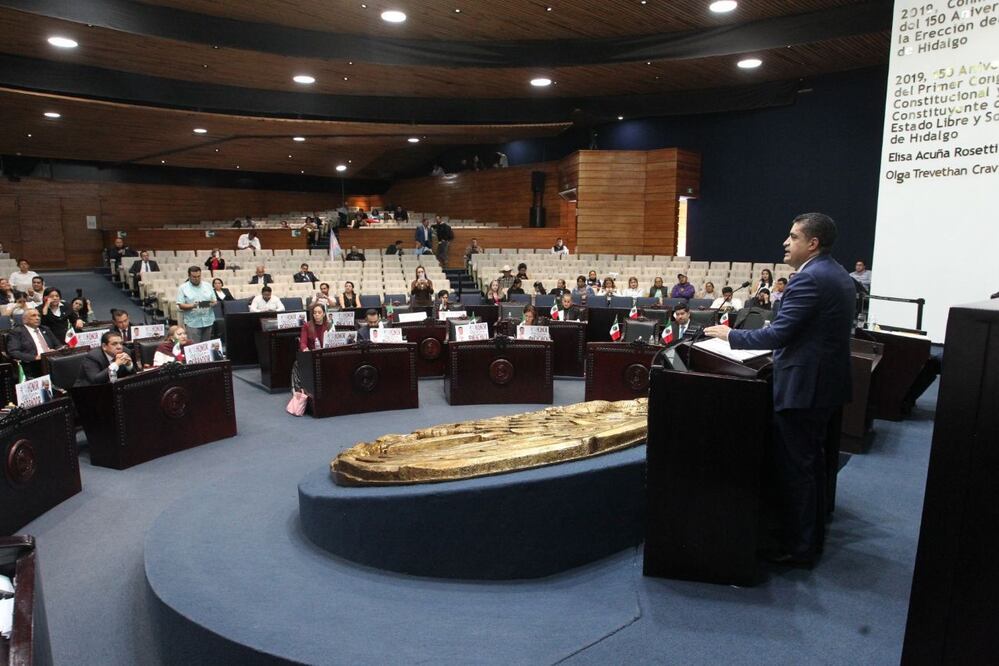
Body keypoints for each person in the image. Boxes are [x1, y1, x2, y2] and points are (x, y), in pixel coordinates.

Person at [704, 212, 856, 566]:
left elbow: (779, 334)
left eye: (793, 237)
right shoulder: (837, 273)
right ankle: (809, 539)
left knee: (798, 468)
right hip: (823, 382)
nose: (785, 243)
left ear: (812, 243)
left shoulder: (809, 279)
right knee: (811, 464)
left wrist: (731, 335)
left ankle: (799, 548)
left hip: (805, 386)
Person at [6, 308, 62, 378]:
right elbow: (13, 352)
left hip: (51, 360)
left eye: (39, 316)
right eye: (33, 315)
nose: (38, 318)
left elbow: (58, 345)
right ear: (25, 319)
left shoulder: (45, 329)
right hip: (33, 363)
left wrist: (55, 351)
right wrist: (35, 357)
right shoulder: (17, 332)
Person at [176, 266, 217, 343]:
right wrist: (194, 305)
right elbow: (180, 305)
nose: (197, 278)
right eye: (194, 277)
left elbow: (214, 301)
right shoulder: (183, 288)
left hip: (208, 320)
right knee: (194, 346)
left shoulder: (208, 285)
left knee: (206, 345)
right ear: (189, 276)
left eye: (199, 276)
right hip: (193, 323)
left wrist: (202, 304)